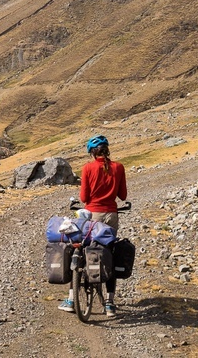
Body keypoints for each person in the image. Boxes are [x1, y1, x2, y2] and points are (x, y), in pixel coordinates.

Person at [58, 134, 128, 317]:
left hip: (92, 215)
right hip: (111, 215)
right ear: (107, 150)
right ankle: (110, 304)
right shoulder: (118, 167)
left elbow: (83, 198)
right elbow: (123, 195)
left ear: (91, 152)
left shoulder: (88, 168)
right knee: (109, 253)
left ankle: (72, 299)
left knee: (82, 251)